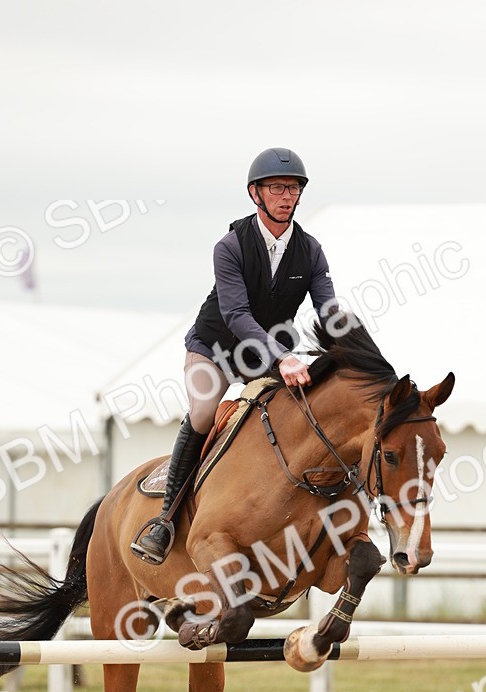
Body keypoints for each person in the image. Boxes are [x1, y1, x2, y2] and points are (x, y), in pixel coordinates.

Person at [131, 146, 337, 564]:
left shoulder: (311, 250)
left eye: (294, 188)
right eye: (277, 187)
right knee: (206, 415)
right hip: (214, 348)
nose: (287, 196)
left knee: (298, 410)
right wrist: (283, 359)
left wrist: (356, 351)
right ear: (255, 194)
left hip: (265, 352)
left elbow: (329, 311)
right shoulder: (230, 246)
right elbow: (236, 315)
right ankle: (165, 519)